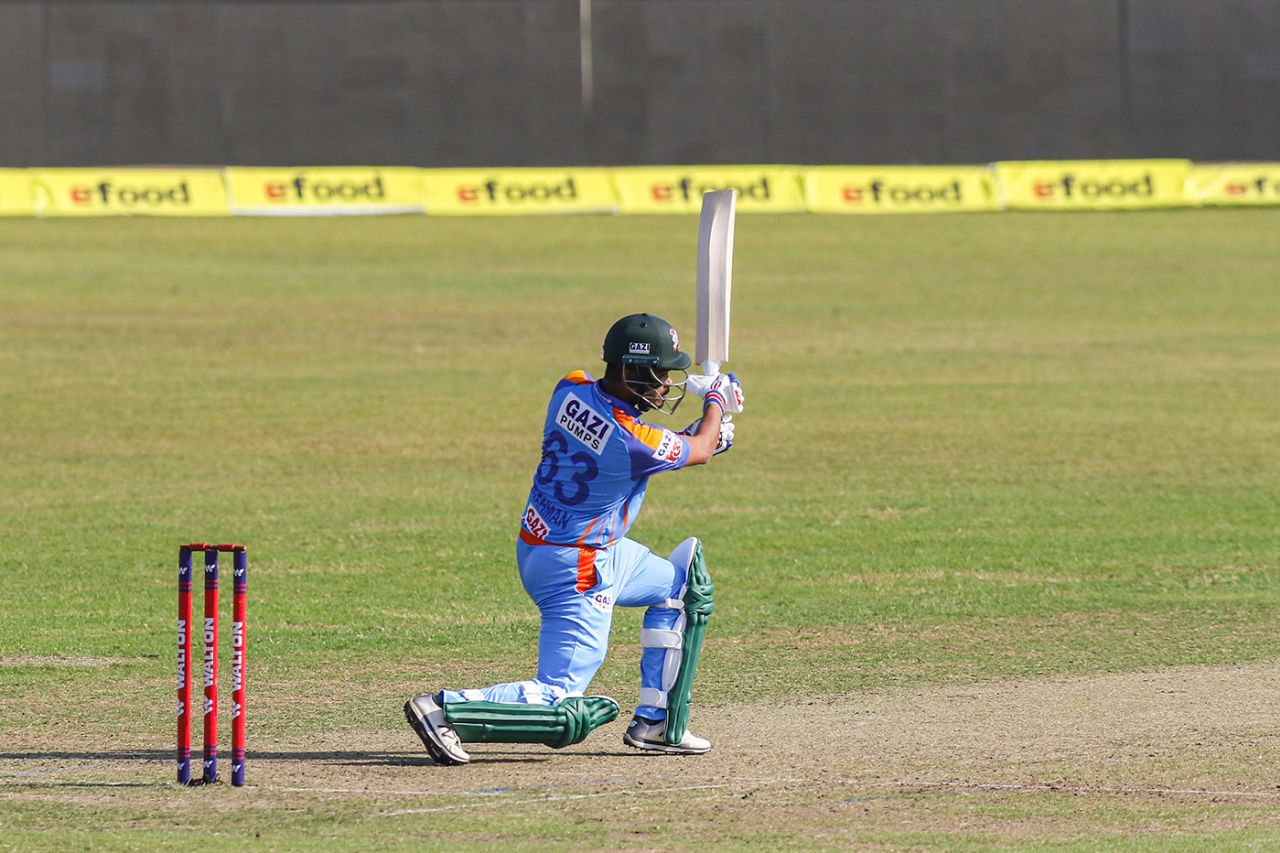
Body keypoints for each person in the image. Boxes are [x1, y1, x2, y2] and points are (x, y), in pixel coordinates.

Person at [405, 313, 743, 765]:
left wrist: (700, 435)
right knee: (559, 695)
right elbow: (692, 451)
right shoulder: (633, 439)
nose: (666, 384)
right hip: (577, 566)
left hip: (561, 545)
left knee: (682, 588)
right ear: (630, 372)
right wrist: (717, 403)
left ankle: (658, 723)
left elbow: (653, 447)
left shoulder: (569, 387)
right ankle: (444, 709)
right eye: (660, 372)